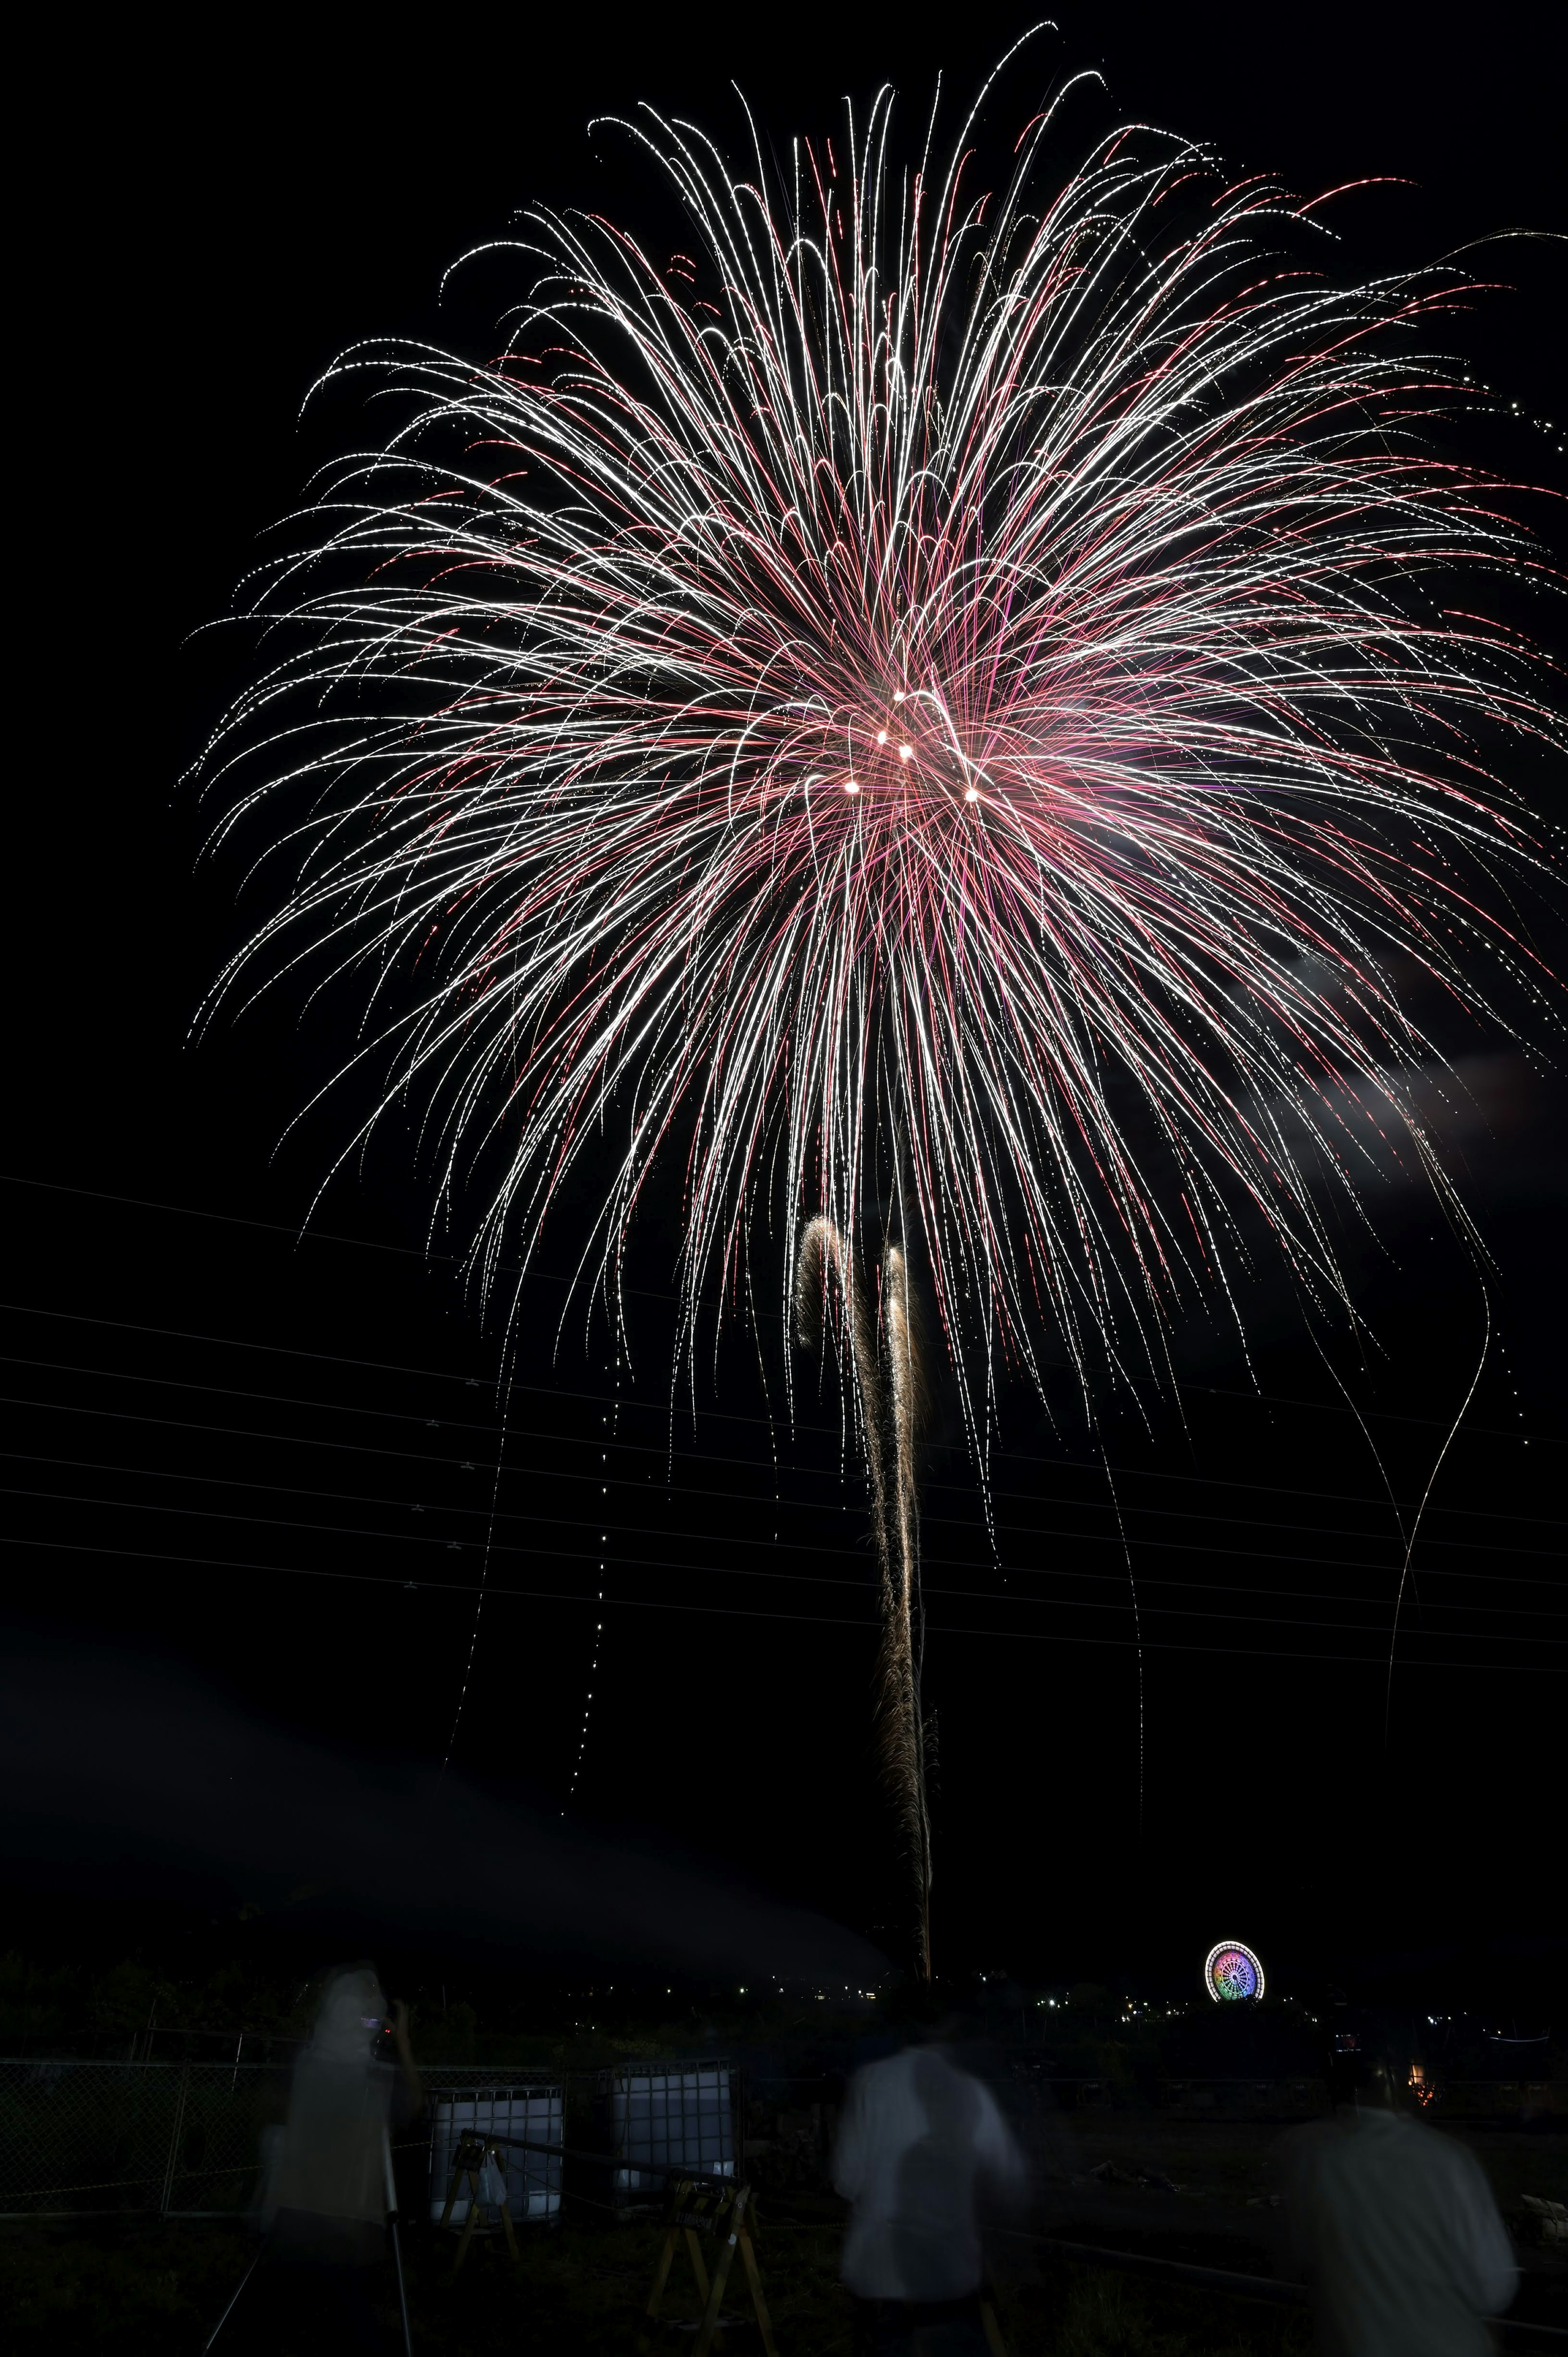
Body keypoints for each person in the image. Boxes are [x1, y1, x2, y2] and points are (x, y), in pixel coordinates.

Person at [1281, 2035, 1517, 2357]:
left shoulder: (1305, 2151)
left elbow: (1296, 2258)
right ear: (1396, 2081)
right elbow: (1493, 2288)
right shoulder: (1447, 2159)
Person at [833, 2018, 1027, 2355]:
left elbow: (846, 2180)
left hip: (879, 2278)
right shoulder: (971, 2091)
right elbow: (1010, 2181)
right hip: (947, 2280)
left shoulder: (870, 2083)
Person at [258, 1963, 422, 2352]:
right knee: (353, 2328)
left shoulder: (305, 2068)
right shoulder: (376, 2079)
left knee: (282, 2325)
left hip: (293, 2218)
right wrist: (404, 2044)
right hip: (348, 2227)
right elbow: (416, 2105)